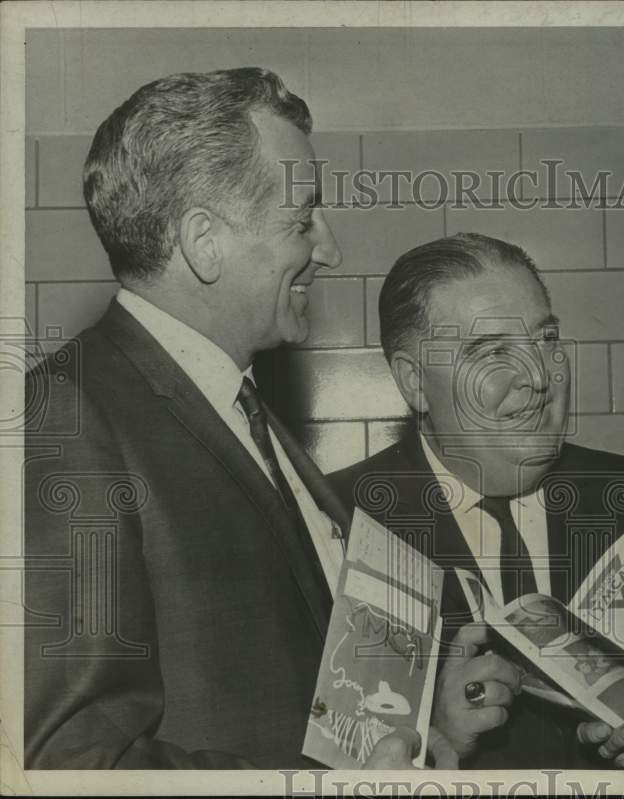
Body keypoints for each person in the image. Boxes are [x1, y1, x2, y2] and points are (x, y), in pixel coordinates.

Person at [23, 68, 455, 769]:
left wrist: (402, 734)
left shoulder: (245, 407)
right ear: (204, 241)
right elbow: (69, 763)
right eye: (302, 217)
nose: (330, 248)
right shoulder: (65, 420)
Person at [327, 232, 624, 769]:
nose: (538, 377)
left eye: (546, 339)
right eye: (490, 353)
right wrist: (436, 741)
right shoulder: (339, 523)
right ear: (415, 383)